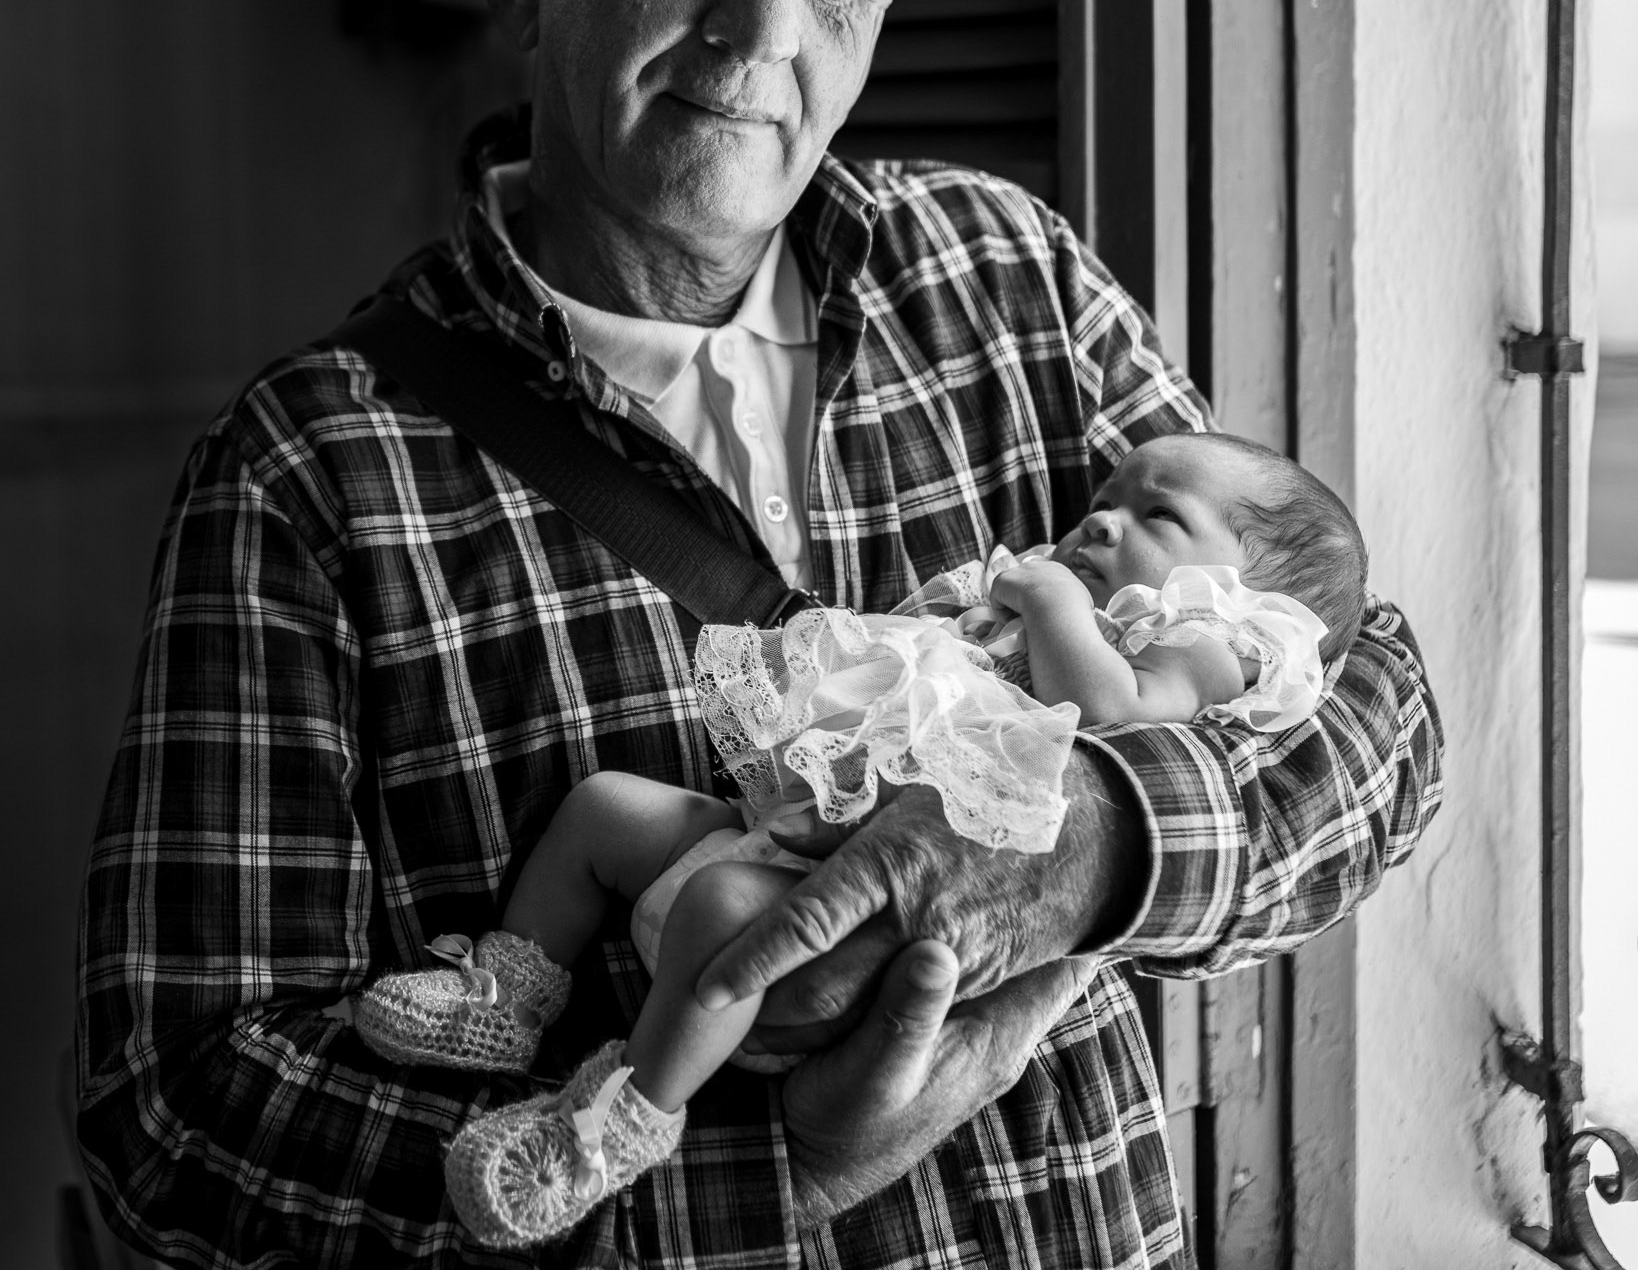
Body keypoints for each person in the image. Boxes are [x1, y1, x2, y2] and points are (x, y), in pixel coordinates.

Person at [77, 0, 1443, 1270]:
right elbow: (184, 1122)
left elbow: (1370, 708)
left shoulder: (1005, 276)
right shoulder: (312, 470)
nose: (757, 27)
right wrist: (777, 1167)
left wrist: (1094, 842)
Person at [341, 428, 1365, 1250]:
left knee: (714, 916)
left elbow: (1115, 713)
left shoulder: (1199, 643)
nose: (1100, 515)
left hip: (841, 914)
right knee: (605, 806)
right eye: (1109, 492)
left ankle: (618, 1116)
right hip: (777, 831)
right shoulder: (1036, 602)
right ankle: (509, 990)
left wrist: (1053, 602)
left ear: (1250, 598)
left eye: (1156, 512)